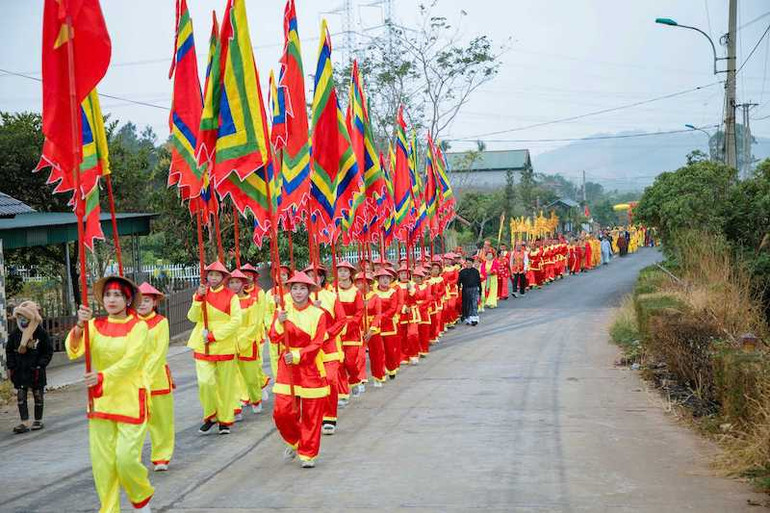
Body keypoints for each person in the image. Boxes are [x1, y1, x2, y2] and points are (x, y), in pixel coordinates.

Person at [65, 276, 154, 513]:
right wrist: (80, 326)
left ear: (127, 300)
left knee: (125, 460)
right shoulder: (94, 326)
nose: (111, 300)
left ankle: (141, 496)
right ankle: (109, 509)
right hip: (101, 401)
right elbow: (73, 350)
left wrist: (102, 377)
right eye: (107, 295)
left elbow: (132, 361)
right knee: (103, 465)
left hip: (130, 399)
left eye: (117, 295)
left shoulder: (139, 327)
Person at [270, 271, 328, 468]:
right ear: (289, 290)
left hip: (310, 367)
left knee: (312, 415)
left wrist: (296, 355)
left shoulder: (319, 314)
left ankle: (308, 453)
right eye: (294, 288)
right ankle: (295, 441)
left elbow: (318, 343)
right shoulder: (283, 311)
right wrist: (279, 322)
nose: (298, 292)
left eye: (303, 288)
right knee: (282, 412)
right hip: (287, 369)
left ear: (310, 290)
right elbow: (273, 336)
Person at [187, 261, 242, 435]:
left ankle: (224, 420)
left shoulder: (231, 296)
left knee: (225, 385)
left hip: (224, 344)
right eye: (211, 274)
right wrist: (198, 299)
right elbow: (192, 317)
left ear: (224, 277)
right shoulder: (200, 293)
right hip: (202, 345)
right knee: (206, 382)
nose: (213, 278)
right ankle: (211, 416)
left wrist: (214, 335)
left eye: (217, 275)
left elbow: (236, 321)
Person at [136, 283, 175, 472]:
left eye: (147, 300)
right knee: (135, 422)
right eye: (139, 300)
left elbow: (159, 352)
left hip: (157, 377)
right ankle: (132, 458)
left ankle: (161, 456)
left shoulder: (161, 322)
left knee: (161, 420)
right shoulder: (129, 323)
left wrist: (146, 374)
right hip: (132, 379)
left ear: (154, 303)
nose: (142, 304)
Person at [7, 301, 52, 434]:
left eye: (25, 317)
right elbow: (9, 350)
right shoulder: (15, 334)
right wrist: (12, 366)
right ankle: (24, 421)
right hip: (20, 370)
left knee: (38, 394)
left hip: (36, 370)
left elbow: (48, 351)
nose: (22, 320)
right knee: (21, 395)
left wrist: (40, 365)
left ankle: (38, 419)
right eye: (19, 317)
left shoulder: (40, 333)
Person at [228, 270, 265, 419]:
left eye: (237, 282)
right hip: (229, 342)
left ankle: (256, 398)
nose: (234, 285)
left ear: (244, 283)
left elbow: (254, 324)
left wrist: (242, 340)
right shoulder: (227, 302)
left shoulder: (252, 301)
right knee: (232, 376)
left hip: (248, 343)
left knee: (250, 376)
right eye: (231, 282)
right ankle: (235, 406)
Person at [371, 268, 401, 382]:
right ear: (378, 280)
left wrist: (380, 317)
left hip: (388, 325)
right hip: (376, 325)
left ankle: (391, 369)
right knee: (378, 351)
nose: (385, 280)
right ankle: (380, 374)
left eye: (387, 278)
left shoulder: (392, 292)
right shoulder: (373, 292)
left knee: (389, 349)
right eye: (382, 278)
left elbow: (393, 309)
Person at [458, 257, 481, 326]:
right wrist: (458, 289)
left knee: (474, 304)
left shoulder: (476, 271)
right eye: (467, 263)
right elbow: (459, 282)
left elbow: (479, 282)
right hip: (465, 290)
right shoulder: (462, 272)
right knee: (467, 304)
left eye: (470, 263)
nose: (469, 264)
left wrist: (480, 290)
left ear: (472, 263)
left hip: (474, 289)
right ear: (465, 263)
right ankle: (468, 319)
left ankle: (474, 319)